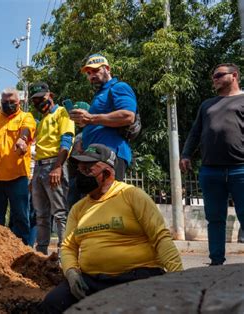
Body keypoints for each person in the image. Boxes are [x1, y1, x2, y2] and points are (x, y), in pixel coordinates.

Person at [41, 144, 183, 313]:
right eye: (79, 169)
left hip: (136, 277)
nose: (80, 174)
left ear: (107, 173)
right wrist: (71, 272)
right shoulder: (78, 209)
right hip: (91, 281)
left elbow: (160, 238)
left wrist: (179, 279)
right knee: (51, 304)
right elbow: (68, 247)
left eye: (88, 169)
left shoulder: (132, 195)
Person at [180, 63, 244, 266]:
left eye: (218, 75)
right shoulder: (207, 104)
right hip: (210, 170)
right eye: (213, 76)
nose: (214, 79)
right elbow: (195, 132)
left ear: (234, 76)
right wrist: (186, 154)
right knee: (215, 219)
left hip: (240, 168)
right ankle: (216, 262)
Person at [69, 54, 137, 194]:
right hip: (92, 155)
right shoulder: (100, 94)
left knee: (107, 203)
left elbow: (128, 116)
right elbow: (97, 122)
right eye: (88, 73)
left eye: (95, 70)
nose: (91, 76)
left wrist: (90, 118)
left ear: (107, 69)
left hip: (111, 156)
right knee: (92, 205)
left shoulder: (119, 87)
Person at [0, 88, 36, 244]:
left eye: (12, 102)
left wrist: (22, 140)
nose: (9, 105)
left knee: (20, 217)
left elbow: (26, 130)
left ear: (19, 102)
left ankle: (23, 251)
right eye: (5, 102)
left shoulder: (26, 117)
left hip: (17, 177)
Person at [30, 82, 75, 255]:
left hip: (54, 164)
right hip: (39, 167)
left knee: (59, 213)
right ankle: (41, 253)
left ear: (50, 95)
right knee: (41, 214)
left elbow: (66, 141)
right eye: (35, 100)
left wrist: (57, 167)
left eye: (41, 98)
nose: (38, 102)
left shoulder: (62, 113)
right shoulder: (42, 121)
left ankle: (64, 255)